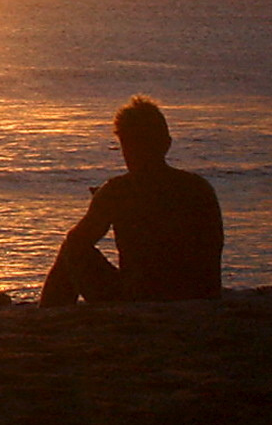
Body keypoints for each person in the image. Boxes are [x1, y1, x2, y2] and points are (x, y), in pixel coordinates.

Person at [40, 96, 224, 305]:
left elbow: (78, 241)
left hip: (141, 297)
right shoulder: (199, 187)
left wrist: (104, 203)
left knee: (72, 245)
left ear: (126, 146)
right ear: (167, 143)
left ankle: (49, 310)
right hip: (202, 296)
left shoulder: (118, 191)